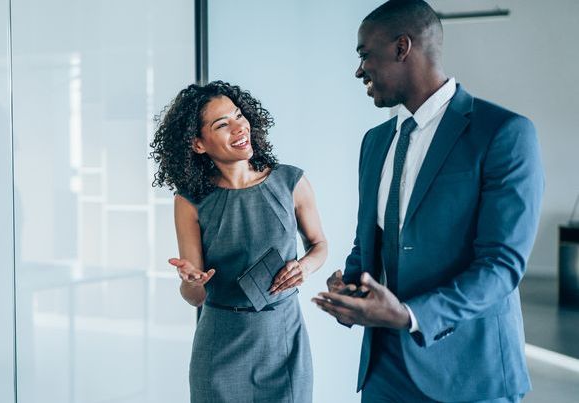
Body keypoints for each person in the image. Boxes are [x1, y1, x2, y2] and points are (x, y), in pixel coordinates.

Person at [311, 1, 543, 402]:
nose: (359, 70)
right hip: (384, 368)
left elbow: (501, 267)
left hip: (468, 373)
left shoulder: (503, 133)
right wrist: (350, 286)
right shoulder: (376, 142)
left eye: (365, 54)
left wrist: (409, 315)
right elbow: (372, 241)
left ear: (403, 47)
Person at [151, 81, 328, 402]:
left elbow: (319, 246)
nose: (239, 127)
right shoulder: (190, 201)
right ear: (198, 144)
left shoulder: (291, 181)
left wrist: (306, 266)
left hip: (283, 340)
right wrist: (192, 281)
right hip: (220, 343)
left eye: (238, 115)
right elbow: (194, 296)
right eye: (222, 124)